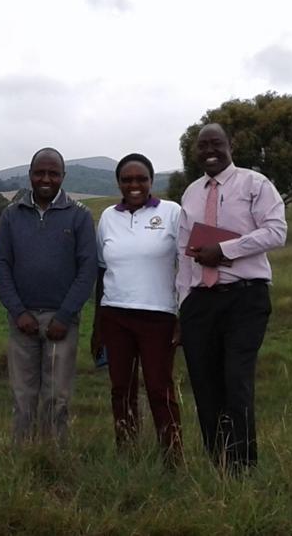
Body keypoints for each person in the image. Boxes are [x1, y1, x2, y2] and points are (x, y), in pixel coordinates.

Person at [176, 123, 287, 472]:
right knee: (205, 385)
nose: (210, 151)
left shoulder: (255, 184)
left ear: (230, 145)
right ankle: (218, 464)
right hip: (200, 300)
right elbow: (183, 252)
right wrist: (183, 305)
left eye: (216, 143)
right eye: (202, 145)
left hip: (244, 298)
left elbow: (276, 231)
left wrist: (224, 250)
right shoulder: (191, 193)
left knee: (236, 382)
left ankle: (243, 466)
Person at [0, 147, 98, 445]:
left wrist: (65, 316)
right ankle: (23, 455)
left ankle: (54, 455)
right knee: (22, 395)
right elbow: (1, 265)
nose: (46, 179)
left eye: (53, 173)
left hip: (61, 322)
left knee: (57, 396)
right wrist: (18, 311)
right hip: (21, 319)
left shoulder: (79, 215)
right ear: (30, 176)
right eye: (40, 172)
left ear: (63, 176)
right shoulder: (12, 215)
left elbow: (87, 268)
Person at [90, 153, 182, 462]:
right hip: (115, 315)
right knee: (121, 390)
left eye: (141, 178)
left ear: (151, 181)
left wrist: (183, 316)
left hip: (159, 317)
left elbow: (187, 266)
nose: (134, 185)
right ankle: (127, 455)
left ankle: (172, 457)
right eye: (127, 179)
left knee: (159, 389)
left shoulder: (172, 213)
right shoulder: (107, 218)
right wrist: (97, 326)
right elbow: (102, 272)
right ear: (118, 183)